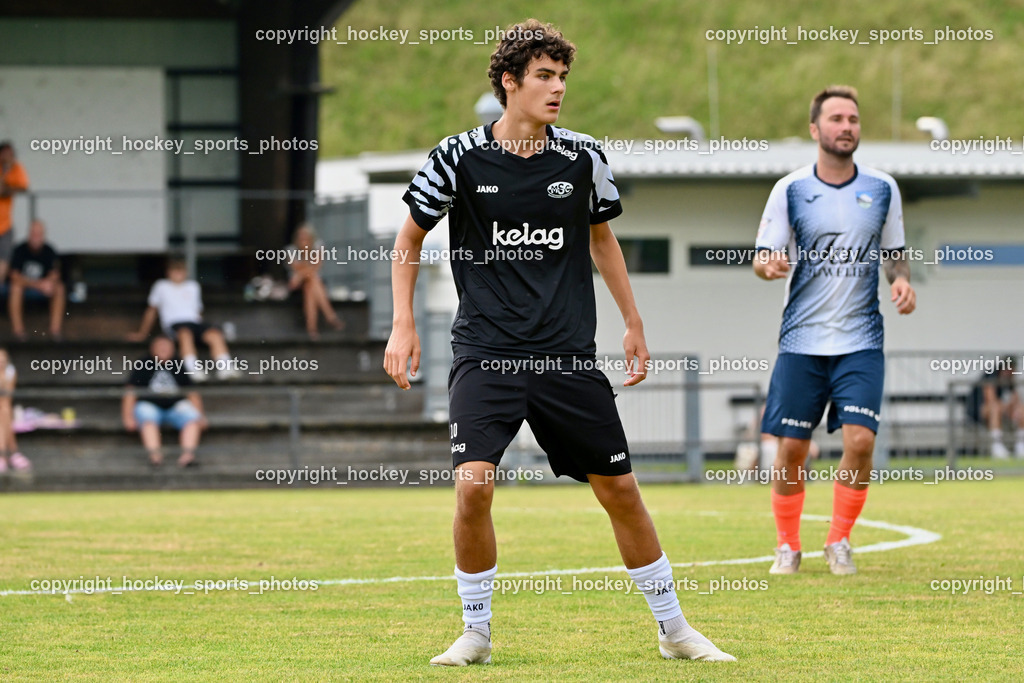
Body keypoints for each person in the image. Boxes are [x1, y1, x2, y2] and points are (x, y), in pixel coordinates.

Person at [385, 19, 735, 666]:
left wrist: (632, 320)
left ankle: (674, 628)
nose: (556, 89)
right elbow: (408, 239)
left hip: (565, 354)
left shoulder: (582, 156)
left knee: (620, 490)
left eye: (562, 77)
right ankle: (476, 632)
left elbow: (602, 239)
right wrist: (403, 324)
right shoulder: (456, 156)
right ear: (509, 84)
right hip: (486, 352)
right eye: (544, 77)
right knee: (473, 487)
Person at [754, 85, 916, 576]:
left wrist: (903, 280)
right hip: (801, 341)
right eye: (836, 119)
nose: (846, 127)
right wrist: (769, 266)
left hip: (861, 340)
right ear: (815, 129)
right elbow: (762, 255)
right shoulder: (791, 188)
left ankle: (839, 540)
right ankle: (787, 544)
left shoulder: (883, 187)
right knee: (792, 449)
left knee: (861, 441)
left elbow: (894, 251)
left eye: (853, 119)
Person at [127, 258, 240, 381]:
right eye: (175, 271)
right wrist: (143, 333)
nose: (178, 275)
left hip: (194, 323)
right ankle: (192, 368)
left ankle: (226, 367)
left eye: (180, 271)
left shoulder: (193, 286)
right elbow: (152, 310)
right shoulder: (161, 286)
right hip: (174, 324)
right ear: (168, 273)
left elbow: (197, 310)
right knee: (185, 333)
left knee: (214, 334)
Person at [121, 335, 206, 467]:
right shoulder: (143, 364)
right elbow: (130, 391)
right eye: (160, 346)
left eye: (167, 347)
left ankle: (187, 456)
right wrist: (128, 417)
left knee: (192, 418)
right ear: (152, 349)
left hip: (175, 406)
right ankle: (155, 457)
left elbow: (191, 392)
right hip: (150, 405)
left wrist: (200, 415)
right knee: (147, 417)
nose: (164, 349)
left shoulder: (179, 364)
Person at [8, 220, 65, 340]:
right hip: (25, 286)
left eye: (38, 234)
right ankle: (18, 331)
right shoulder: (20, 250)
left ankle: (55, 331)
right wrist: (37, 285)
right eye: (33, 234)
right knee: (15, 288)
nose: (36, 237)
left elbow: (55, 274)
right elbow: (14, 276)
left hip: (43, 288)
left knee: (59, 288)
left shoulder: (49, 250)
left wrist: (48, 283)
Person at [287, 223, 344, 340]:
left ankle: (312, 328)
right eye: (301, 238)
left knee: (310, 285)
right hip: (297, 287)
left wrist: (301, 274)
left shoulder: (318, 247)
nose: (304, 241)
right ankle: (330, 316)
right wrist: (304, 272)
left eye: (306, 238)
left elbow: (314, 267)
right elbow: (302, 269)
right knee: (312, 280)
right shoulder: (291, 250)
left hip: (309, 284)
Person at [968, 357, 1024, 459]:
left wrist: (1016, 409)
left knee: (1021, 409)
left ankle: (1021, 446)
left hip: (1000, 410)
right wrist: (1007, 406)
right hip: (978, 412)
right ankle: (996, 446)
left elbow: (1016, 399)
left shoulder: (1010, 380)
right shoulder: (991, 376)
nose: (1011, 372)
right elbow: (991, 400)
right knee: (995, 408)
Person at [0, 141, 30, 283]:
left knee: (4, 258)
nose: (7, 157)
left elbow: (23, 187)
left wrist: (8, 186)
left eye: (10, 154)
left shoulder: (16, 168)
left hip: (5, 224)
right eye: (4, 154)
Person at [0, 348, 31, 474]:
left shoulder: (10, 372)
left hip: (3, 408)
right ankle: (12, 451)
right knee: (4, 413)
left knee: (4, 411)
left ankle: (3, 454)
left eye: (3, 360)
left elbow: (7, 398)